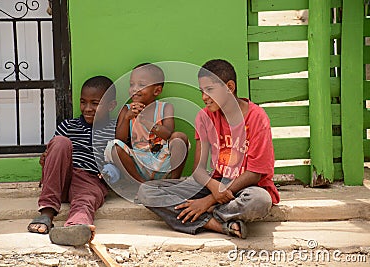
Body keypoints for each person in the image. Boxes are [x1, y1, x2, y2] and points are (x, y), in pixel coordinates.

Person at [137, 59, 280, 239]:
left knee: (260, 201)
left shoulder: (257, 118)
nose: (204, 97)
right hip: (212, 182)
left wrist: (208, 201)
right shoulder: (204, 117)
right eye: (202, 91)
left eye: (210, 90)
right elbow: (199, 170)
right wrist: (213, 188)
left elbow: (255, 173)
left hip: (246, 187)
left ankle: (209, 213)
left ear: (230, 87)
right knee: (147, 191)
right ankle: (215, 224)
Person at [27, 75, 118, 246]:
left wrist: (110, 172)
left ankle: (76, 227)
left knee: (85, 200)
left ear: (111, 105)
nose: (87, 108)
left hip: (91, 178)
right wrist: (46, 159)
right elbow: (52, 155)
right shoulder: (68, 125)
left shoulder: (115, 128)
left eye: (95, 103)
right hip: (62, 178)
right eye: (83, 102)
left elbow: (121, 158)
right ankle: (47, 213)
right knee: (60, 142)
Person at [106, 63, 189, 183]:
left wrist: (146, 122)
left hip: (162, 160)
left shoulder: (166, 108)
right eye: (131, 84)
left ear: (157, 90)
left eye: (141, 85)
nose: (134, 89)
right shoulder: (126, 110)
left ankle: (173, 182)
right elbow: (120, 139)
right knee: (114, 147)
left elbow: (168, 135)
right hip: (138, 164)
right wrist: (126, 118)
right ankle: (141, 184)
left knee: (179, 137)